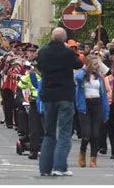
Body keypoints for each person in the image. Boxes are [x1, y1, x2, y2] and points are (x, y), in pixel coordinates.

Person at [37, 27, 83, 176]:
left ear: (51, 37)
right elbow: (79, 64)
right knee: (64, 132)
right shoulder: (68, 52)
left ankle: (44, 169)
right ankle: (59, 167)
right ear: (64, 39)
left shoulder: (43, 52)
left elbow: (39, 67)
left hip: (48, 95)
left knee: (49, 133)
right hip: (65, 95)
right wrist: (70, 50)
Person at [75, 55, 110, 168]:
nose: (97, 66)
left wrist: (106, 111)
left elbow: (104, 95)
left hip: (97, 105)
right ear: (89, 65)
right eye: (95, 64)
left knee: (95, 134)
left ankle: (93, 158)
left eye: (98, 64)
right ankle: (82, 152)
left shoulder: (99, 78)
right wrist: (85, 69)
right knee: (86, 134)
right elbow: (78, 77)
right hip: (85, 105)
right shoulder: (82, 75)